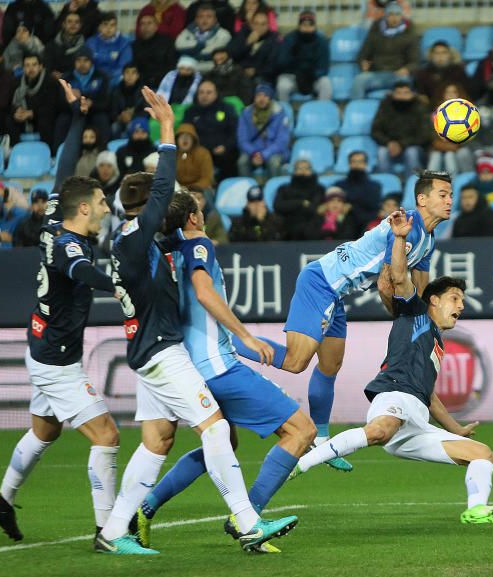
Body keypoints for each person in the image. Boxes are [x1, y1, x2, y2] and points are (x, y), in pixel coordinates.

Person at [96, 87, 286, 555]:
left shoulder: (132, 241)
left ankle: (112, 531)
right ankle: (246, 522)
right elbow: (164, 189)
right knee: (217, 428)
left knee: (157, 442)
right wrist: (166, 129)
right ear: (146, 208)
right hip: (162, 352)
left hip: (145, 351)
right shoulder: (139, 236)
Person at [287, 215, 493, 526]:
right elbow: (397, 276)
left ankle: (476, 509)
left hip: (416, 420)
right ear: (433, 300)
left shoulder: (437, 342)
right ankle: (303, 461)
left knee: (483, 454)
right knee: (380, 430)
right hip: (393, 398)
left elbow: (429, 395)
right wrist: (399, 238)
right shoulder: (415, 312)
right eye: (454, 298)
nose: (460, 306)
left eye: (462, 301)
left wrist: (456, 428)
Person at [232, 171, 453, 475]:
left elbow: (421, 292)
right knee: (297, 361)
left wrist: (422, 318)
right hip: (322, 282)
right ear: (422, 199)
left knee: (330, 365)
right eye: (443, 194)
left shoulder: (427, 239)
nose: (449, 200)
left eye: (450, 194)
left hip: (336, 294)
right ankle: (227, 341)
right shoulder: (405, 228)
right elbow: (387, 284)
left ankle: (321, 440)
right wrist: (404, 320)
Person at [131, 191, 314, 552]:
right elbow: (203, 293)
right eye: (198, 208)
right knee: (301, 430)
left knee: (222, 441)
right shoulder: (199, 245)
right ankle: (249, 518)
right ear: (193, 219)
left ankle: (143, 509)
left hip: (179, 366)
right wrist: (245, 334)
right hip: (217, 368)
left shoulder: (162, 251)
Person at [0, 81, 118, 543]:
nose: (106, 207)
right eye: (101, 203)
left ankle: (2, 503)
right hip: (57, 357)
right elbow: (83, 272)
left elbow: (65, 169)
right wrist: (124, 285)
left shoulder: (58, 216)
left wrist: (77, 116)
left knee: (44, 433)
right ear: (85, 209)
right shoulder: (66, 243)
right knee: (107, 436)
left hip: (42, 344)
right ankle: (107, 531)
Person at [351, 1, 418, 99]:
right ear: (385, 16)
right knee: (359, 80)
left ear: (401, 16)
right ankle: (356, 109)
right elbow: (362, 55)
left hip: (398, 75)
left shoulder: (409, 34)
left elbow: (415, 61)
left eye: (397, 14)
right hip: (376, 73)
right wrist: (363, 63)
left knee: (408, 81)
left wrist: (407, 69)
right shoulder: (375, 33)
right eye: (391, 14)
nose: (394, 18)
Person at [371, 80, 432, 178]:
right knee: (382, 152)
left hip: (413, 146)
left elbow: (424, 135)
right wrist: (388, 142)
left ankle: (413, 185)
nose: (402, 96)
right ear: (392, 94)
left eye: (406, 93)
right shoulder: (385, 106)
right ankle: (389, 186)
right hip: (390, 145)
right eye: (398, 93)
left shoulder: (420, 107)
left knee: (411, 152)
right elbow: (375, 130)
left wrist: (402, 144)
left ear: (413, 94)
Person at [184, 79, 239, 180]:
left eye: (209, 92)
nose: (204, 95)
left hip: (223, 153)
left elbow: (235, 132)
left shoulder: (227, 109)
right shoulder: (190, 112)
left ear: (216, 94)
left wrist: (225, 147)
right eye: (201, 92)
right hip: (198, 153)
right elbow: (186, 133)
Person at [236, 82, 289, 178]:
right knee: (242, 162)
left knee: (274, 162)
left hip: (273, 151)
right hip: (253, 151)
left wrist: (264, 154)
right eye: (259, 95)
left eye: (265, 96)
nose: (262, 99)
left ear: (270, 98)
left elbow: (281, 142)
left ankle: (274, 190)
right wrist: (254, 153)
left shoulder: (280, 113)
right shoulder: (246, 114)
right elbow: (242, 140)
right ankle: (246, 188)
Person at [275, 10, 331, 102]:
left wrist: (311, 74)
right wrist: (295, 67)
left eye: (310, 25)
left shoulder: (321, 42)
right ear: (299, 26)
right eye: (304, 25)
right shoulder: (290, 39)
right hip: (293, 77)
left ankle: (322, 112)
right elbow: (281, 64)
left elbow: (324, 67)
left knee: (326, 83)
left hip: (313, 78)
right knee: (282, 85)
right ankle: (284, 114)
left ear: (314, 26)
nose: (307, 28)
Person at [11, 54, 62, 148]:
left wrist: (32, 113)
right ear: (23, 68)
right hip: (24, 117)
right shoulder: (17, 83)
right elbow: (11, 103)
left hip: (42, 117)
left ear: (40, 66)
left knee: (45, 121)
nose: (31, 69)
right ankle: (14, 152)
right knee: (10, 119)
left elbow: (52, 107)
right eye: (27, 65)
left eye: (34, 65)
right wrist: (16, 112)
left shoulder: (50, 82)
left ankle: (47, 153)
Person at [63, 45, 111, 142]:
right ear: (74, 62)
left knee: (102, 118)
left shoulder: (101, 77)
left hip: (94, 111)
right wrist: (72, 100)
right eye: (79, 60)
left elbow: (106, 102)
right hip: (73, 112)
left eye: (86, 60)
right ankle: (57, 153)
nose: (82, 64)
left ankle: (104, 150)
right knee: (62, 120)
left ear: (91, 62)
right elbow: (60, 103)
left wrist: (92, 103)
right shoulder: (67, 78)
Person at [273, 158, 323, 241]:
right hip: (287, 227)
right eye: (300, 168)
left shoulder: (319, 189)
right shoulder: (284, 189)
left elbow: (313, 209)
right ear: (294, 171)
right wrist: (301, 203)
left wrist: (290, 205)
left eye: (307, 168)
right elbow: (278, 206)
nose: (303, 171)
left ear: (311, 171)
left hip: (311, 227)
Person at [228, 8, 279, 85]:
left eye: (263, 24)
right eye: (256, 23)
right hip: (240, 73)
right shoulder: (243, 34)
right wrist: (248, 44)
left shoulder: (274, 39)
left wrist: (256, 71)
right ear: (251, 24)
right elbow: (232, 54)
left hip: (262, 76)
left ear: (268, 25)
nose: (259, 27)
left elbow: (273, 64)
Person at [175, 4, 232, 73]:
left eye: (209, 16)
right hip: (185, 69)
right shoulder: (187, 31)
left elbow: (210, 52)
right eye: (201, 16)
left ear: (215, 20)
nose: (204, 20)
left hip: (210, 70)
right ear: (196, 20)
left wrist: (188, 53)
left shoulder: (224, 34)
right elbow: (178, 45)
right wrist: (200, 45)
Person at [333, 150, 381, 227]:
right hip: (343, 224)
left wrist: (351, 207)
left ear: (365, 164)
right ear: (349, 164)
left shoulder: (374, 186)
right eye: (353, 161)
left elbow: (373, 209)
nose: (357, 164)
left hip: (366, 224)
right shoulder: (339, 185)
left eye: (360, 162)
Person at [413, 41, 469, 106]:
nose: (440, 56)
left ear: (450, 55)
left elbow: (465, 92)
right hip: (430, 108)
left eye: (444, 53)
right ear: (431, 55)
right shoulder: (423, 73)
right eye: (436, 53)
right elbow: (421, 95)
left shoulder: (459, 72)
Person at [131, 13, 177, 90]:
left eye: (149, 23)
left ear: (156, 27)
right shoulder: (134, 45)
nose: (146, 27)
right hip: (141, 85)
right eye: (142, 24)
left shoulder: (167, 42)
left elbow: (172, 66)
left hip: (163, 83)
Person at [85, 12, 131, 82]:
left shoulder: (124, 44)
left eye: (112, 25)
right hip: (94, 80)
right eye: (105, 24)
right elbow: (87, 65)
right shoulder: (91, 43)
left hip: (115, 81)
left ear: (116, 26)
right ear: (99, 26)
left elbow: (124, 67)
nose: (109, 28)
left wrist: (107, 78)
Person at [110, 64, 147, 138]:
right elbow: (112, 110)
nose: (130, 76)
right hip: (120, 120)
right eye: (127, 72)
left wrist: (132, 117)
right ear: (123, 75)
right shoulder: (116, 90)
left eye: (133, 73)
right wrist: (120, 117)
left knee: (131, 127)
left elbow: (146, 110)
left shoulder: (144, 91)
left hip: (138, 120)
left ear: (138, 76)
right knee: (114, 127)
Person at [175, 122, 214, 190]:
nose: (185, 139)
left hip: (199, 189)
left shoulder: (203, 153)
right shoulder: (172, 154)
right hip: (178, 190)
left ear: (193, 139)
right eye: (182, 136)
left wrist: (193, 188)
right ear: (177, 139)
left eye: (188, 136)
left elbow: (207, 178)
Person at [47, 12, 85, 77]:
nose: (73, 24)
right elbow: (47, 66)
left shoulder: (85, 47)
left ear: (80, 25)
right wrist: (52, 73)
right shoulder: (51, 45)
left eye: (76, 22)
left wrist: (65, 75)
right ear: (64, 24)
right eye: (69, 22)